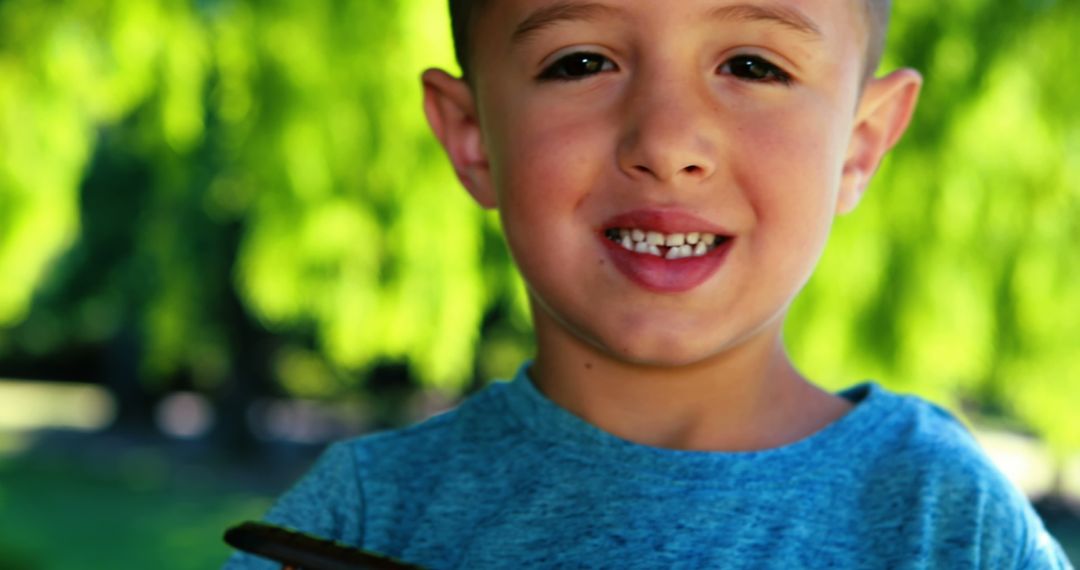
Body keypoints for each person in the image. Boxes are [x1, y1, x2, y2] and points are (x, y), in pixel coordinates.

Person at [225, 0, 1073, 568]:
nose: (667, 141)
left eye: (751, 65)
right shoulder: (359, 523)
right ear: (474, 136)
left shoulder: (945, 519)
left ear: (859, 145)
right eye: (582, 61)